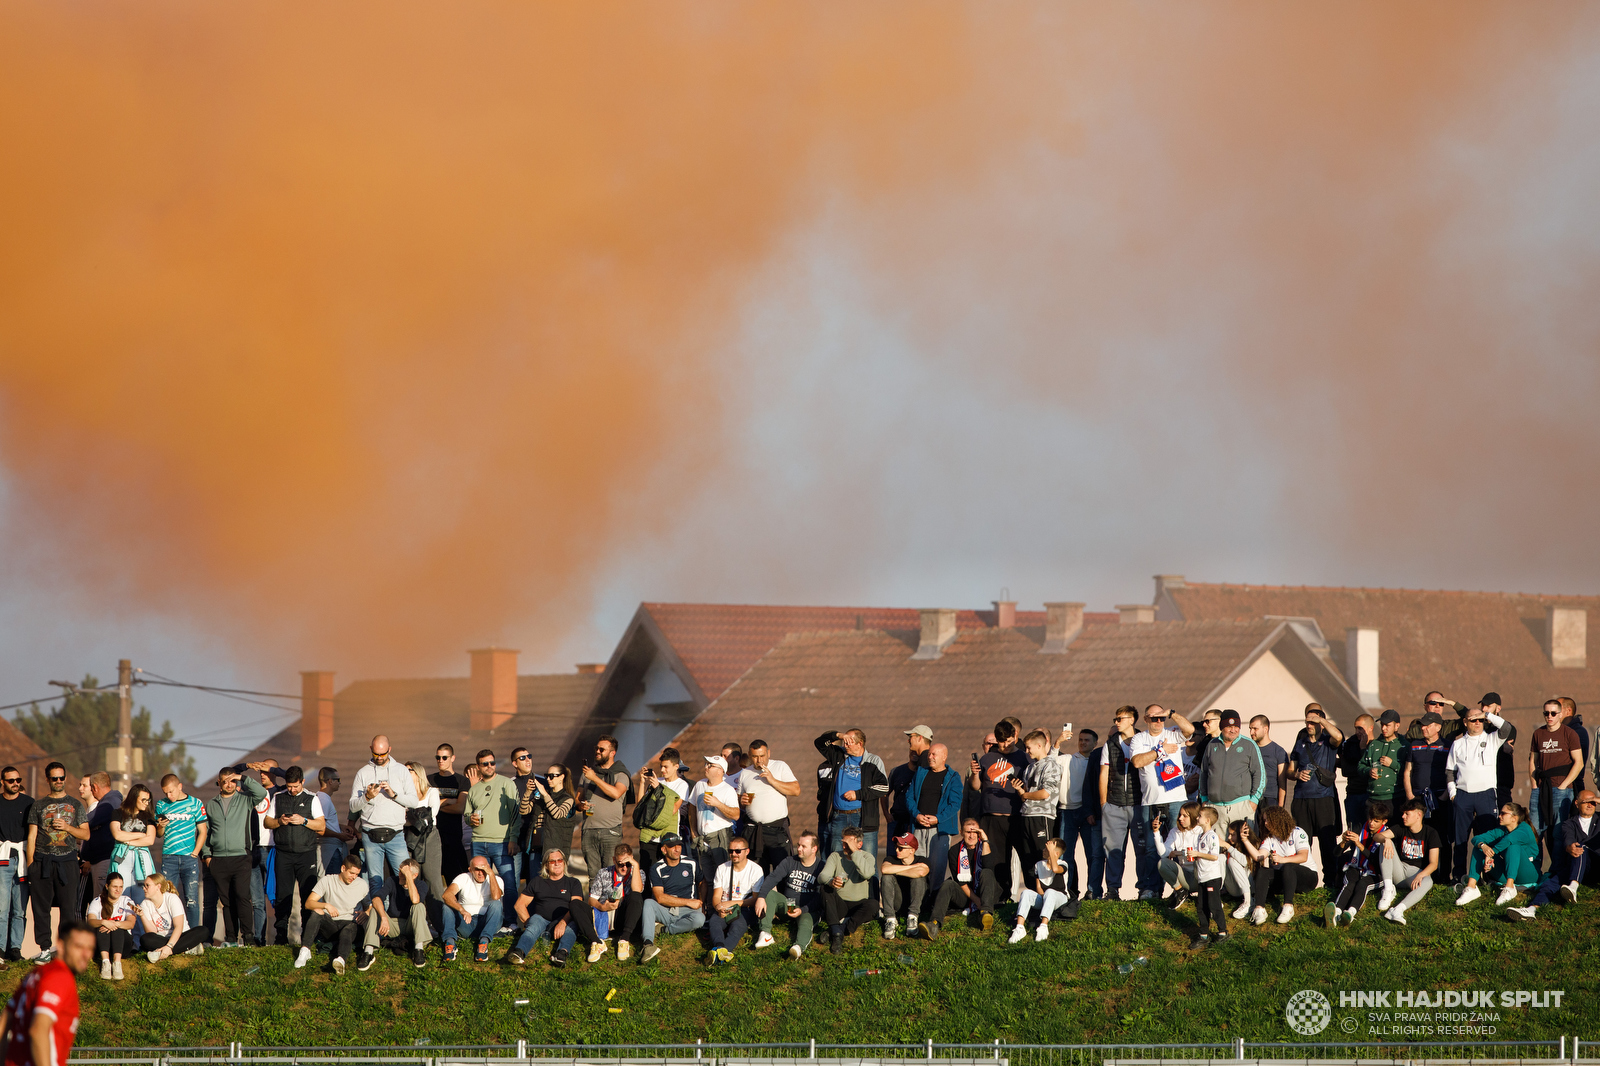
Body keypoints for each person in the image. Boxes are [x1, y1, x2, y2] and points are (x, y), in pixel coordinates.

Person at [0, 918, 93, 1066]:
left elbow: (3, 1024)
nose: (85, 954)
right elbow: (38, 1030)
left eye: (90, 948)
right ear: (61, 946)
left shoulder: (37, 974)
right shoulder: (61, 977)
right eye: (78, 947)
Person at [349, 735, 422, 912]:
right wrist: (367, 797)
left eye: (383, 754)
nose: (379, 757)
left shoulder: (401, 771)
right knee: (375, 880)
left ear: (389, 750)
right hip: (370, 834)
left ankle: (402, 920)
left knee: (405, 876)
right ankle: (379, 921)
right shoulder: (363, 772)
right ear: (370, 749)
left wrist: (394, 793)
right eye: (376, 754)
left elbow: (413, 801)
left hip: (396, 834)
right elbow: (352, 805)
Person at [202, 763, 270, 947]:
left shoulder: (245, 799)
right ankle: (231, 938)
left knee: (242, 897)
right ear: (219, 783)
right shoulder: (211, 804)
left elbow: (261, 793)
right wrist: (207, 855)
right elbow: (205, 831)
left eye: (232, 781)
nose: (229, 784)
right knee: (227, 902)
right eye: (225, 781)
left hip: (241, 856)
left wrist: (241, 777)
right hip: (218, 859)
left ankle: (248, 936)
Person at [25, 763, 87, 963]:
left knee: (68, 908)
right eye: (54, 778)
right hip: (42, 861)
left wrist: (68, 827)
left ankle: (63, 950)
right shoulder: (38, 805)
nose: (59, 781)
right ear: (48, 780)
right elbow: (32, 836)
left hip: (68, 860)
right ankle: (44, 948)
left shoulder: (76, 805)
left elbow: (85, 833)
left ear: (66, 778)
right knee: (41, 908)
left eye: (61, 778)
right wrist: (31, 865)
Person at [1131, 706, 1194, 899]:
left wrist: (1173, 713)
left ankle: (1185, 887)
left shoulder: (1172, 733)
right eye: (1154, 718)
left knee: (1181, 843)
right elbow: (1137, 762)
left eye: (1161, 718)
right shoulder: (1139, 738)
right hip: (1151, 801)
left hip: (1175, 799)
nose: (1158, 722)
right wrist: (1161, 751)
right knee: (1150, 847)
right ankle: (1151, 889)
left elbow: (1190, 730)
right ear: (1145, 719)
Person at [1508, 791, 1600, 921]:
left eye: (1593, 802)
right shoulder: (1569, 823)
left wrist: (1596, 798)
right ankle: (1531, 909)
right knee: (1550, 883)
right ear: (1577, 803)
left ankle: (1573, 887)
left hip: (1596, 866)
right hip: (1576, 866)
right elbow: (1568, 841)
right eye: (1586, 801)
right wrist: (1570, 847)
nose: (1590, 805)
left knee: (1581, 847)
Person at [264, 766, 329, 949]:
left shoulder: (312, 799)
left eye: (295, 786)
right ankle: (281, 938)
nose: (292, 790)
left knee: (308, 896)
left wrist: (304, 821)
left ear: (302, 782)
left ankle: (307, 939)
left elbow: (321, 825)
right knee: (283, 896)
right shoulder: (278, 797)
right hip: (283, 854)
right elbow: (267, 822)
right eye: (289, 786)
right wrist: (279, 822)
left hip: (306, 854)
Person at [1446, 703, 1510, 883]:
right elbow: (1450, 771)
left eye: (1480, 720)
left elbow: (1507, 728)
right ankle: (1459, 875)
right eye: (1473, 720)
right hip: (1463, 795)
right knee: (1460, 839)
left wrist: (1488, 714)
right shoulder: (1457, 744)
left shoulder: (1492, 739)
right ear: (1465, 722)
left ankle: (1487, 875)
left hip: (1486, 795)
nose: (1477, 723)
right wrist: (1453, 793)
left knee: (1487, 837)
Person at [1287, 704, 1344, 890]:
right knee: (1303, 841)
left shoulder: (1328, 741)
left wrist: (1322, 721)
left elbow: (1339, 737)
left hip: (1323, 798)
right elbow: (1290, 770)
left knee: (1328, 842)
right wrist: (1297, 775)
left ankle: (1331, 882)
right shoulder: (1300, 742)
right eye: (1307, 721)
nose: (1309, 724)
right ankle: (1306, 882)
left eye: (1313, 721)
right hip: (1301, 798)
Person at [971, 720, 1028, 901]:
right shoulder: (987, 758)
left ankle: (1033, 896)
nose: (1004, 745)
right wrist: (974, 774)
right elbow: (976, 786)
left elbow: (1030, 787)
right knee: (997, 860)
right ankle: (1000, 898)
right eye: (1001, 741)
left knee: (1026, 857)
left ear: (1014, 737)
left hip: (1016, 816)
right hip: (991, 817)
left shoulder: (1023, 758)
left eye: (1008, 741)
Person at [508, 850, 595, 968]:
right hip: (541, 919)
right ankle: (519, 952)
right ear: (546, 865)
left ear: (564, 863)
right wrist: (529, 923)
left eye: (560, 860)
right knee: (534, 923)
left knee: (572, 924)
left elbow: (577, 906)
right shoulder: (537, 881)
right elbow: (519, 905)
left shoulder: (573, 882)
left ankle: (561, 953)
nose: (557, 863)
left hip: (566, 919)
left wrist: (563, 923)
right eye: (552, 861)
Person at [816, 729, 889, 859]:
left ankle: (871, 881)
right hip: (839, 816)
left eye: (849, 743)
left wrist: (858, 794)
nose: (845, 746)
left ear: (860, 744)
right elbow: (819, 743)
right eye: (844, 742)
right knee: (836, 858)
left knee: (867, 860)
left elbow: (883, 787)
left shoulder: (873, 761)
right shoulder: (839, 755)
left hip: (862, 817)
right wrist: (839, 735)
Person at [1400, 710, 1455, 883]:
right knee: (1419, 838)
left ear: (1438, 727)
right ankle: (1422, 876)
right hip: (1417, 800)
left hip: (1439, 799)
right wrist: (1410, 795)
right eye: (1422, 725)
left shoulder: (1448, 746)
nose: (1423, 728)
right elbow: (1408, 770)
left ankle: (1444, 876)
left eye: (1427, 725)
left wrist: (1445, 795)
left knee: (1441, 838)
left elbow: (1453, 771)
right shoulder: (1415, 745)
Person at [1099, 707, 1147, 902]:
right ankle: (1112, 890)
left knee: (1142, 850)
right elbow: (1103, 774)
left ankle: (1145, 889)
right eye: (1115, 718)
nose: (1117, 722)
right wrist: (1104, 804)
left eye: (1120, 718)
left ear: (1132, 720)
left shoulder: (1143, 741)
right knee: (1113, 851)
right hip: (1114, 805)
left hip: (1138, 805)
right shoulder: (1109, 745)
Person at [1239, 805, 1316, 924]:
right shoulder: (1270, 838)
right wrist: (1245, 840)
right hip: (1285, 877)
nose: (1265, 823)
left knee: (1288, 866)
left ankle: (1288, 906)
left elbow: (1303, 856)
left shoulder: (1297, 832)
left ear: (1278, 819)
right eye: (1264, 820)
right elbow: (1258, 856)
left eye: (1268, 820)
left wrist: (1282, 859)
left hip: (1306, 877)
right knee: (1263, 870)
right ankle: (1259, 909)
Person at [1529, 699, 1583, 870]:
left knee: (1559, 833)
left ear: (1560, 714)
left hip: (1562, 790)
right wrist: (1533, 785)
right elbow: (1532, 761)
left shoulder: (1569, 734)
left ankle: (1557, 872)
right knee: (1535, 832)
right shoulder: (1538, 733)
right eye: (1546, 713)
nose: (1549, 716)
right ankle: (1534, 873)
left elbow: (1579, 763)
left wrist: (1564, 785)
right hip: (1540, 788)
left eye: (1553, 713)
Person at [753, 830, 824, 957]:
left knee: (806, 922)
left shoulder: (821, 867)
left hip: (807, 909)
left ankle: (798, 947)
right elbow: (772, 878)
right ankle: (765, 934)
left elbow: (819, 896)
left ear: (814, 849)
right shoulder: (790, 861)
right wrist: (761, 897)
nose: (799, 848)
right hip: (789, 904)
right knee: (769, 894)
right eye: (799, 845)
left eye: (803, 846)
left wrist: (802, 910)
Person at [297, 855, 373, 973]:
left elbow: (369, 906)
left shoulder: (362, 884)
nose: (354, 877)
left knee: (350, 927)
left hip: (351, 924)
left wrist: (366, 913)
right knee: (317, 911)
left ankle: (341, 959)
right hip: (331, 925)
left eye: (357, 874)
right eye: (351, 873)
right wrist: (325, 905)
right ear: (343, 868)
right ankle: (305, 950)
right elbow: (308, 903)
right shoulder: (327, 880)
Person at [925, 820, 1000, 938]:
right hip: (967, 895)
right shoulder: (954, 851)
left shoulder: (987, 846)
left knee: (986, 872)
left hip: (987, 892)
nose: (971, 835)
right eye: (968, 832)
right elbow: (960, 882)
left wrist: (985, 840)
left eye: (975, 832)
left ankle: (985, 914)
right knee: (948, 884)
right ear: (961, 833)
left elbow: (989, 868)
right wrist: (976, 900)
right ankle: (934, 924)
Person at [1456, 803, 1539, 907]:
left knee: (1513, 846)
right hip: (1507, 872)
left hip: (1528, 876)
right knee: (1480, 848)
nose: (1499, 816)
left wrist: (1491, 853)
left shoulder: (1524, 829)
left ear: (1514, 818)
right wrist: (1483, 846)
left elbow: (1509, 840)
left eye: (1503, 813)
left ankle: (1509, 888)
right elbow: (1476, 838)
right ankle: (1471, 887)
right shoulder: (1501, 830)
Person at [1053, 728, 1103, 900]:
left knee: (1092, 854)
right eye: (1081, 740)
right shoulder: (1068, 759)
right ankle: (1065, 892)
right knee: (1066, 855)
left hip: (1089, 812)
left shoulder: (1099, 762)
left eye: (1087, 740)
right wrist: (1058, 743)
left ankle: (1093, 891)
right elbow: (1049, 761)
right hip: (1068, 811)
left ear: (1095, 743)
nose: (1083, 743)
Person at [1197, 710, 1265, 836]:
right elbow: (1204, 773)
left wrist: (1253, 801)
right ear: (1222, 727)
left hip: (1241, 806)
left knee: (1242, 849)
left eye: (1236, 727)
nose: (1233, 730)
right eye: (1229, 727)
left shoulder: (1249, 745)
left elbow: (1259, 774)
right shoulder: (1212, 745)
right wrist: (1204, 799)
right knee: (1217, 850)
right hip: (1214, 807)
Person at [153, 775, 205, 937]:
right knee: (167, 898)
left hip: (189, 858)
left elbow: (203, 831)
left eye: (171, 791)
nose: (169, 796)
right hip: (169, 858)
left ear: (180, 786)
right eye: (165, 792)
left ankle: (193, 938)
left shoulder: (196, 803)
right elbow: (159, 834)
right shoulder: (161, 804)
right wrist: (160, 826)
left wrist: (195, 852)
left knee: (192, 899)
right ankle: (169, 936)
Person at [639, 833, 703, 964]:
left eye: (679, 845)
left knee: (700, 919)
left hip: (687, 911)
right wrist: (689, 902)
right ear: (664, 849)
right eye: (673, 846)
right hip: (666, 909)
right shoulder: (656, 868)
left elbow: (702, 882)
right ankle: (648, 944)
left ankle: (664, 929)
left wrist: (702, 901)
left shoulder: (691, 863)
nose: (677, 849)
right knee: (648, 903)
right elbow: (660, 898)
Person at [908, 743, 962, 894]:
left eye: (934, 754)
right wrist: (916, 815)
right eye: (929, 754)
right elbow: (909, 797)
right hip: (918, 829)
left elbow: (955, 804)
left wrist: (938, 819)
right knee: (918, 868)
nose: (930, 757)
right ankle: (919, 905)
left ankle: (933, 906)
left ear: (944, 757)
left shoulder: (953, 777)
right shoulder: (920, 773)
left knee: (936, 870)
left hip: (939, 831)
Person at [1013, 730, 1062, 897]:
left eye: (1029, 748)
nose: (1027, 751)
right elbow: (1027, 794)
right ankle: (1033, 894)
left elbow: (1045, 793)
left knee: (1043, 855)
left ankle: (1049, 894)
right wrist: (1020, 790)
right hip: (1026, 815)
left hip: (1043, 817)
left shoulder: (1051, 765)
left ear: (1039, 745)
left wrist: (1025, 795)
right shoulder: (1029, 768)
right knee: (1028, 859)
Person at [741, 741, 800, 874]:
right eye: (755, 756)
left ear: (768, 753)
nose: (759, 760)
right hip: (754, 831)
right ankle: (759, 896)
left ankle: (784, 896)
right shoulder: (745, 773)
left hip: (776, 831)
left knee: (783, 873)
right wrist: (742, 800)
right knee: (757, 875)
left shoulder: (780, 766)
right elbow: (740, 801)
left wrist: (772, 780)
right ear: (750, 756)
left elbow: (796, 790)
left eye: (762, 756)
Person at [578, 735, 631, 886]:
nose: (598, 752)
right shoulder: (587, 774)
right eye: (596, 748)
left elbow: (616, 793)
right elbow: (578, 799)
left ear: (612, 753)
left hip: (611, 831)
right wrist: (581, 805)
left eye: (602, 749)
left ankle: (612, 908)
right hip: (589, 831)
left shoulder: (621, 774)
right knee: (593, 877)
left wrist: (594, 778)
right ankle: (596, 909)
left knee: (611, 876)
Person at [1327, 801, 1389, 927]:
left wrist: (1359, 845)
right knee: (1350, 881)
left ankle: (1350, 913)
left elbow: (1377, 863)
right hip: (1356, 867)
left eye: (1376, 821)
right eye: (1371, 819)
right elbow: (1337, 853)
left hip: (1377, 872)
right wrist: (1344, 842)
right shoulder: (1360, 827)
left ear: (1384, 822)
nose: (1371, 823)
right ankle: (1336, 912)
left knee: (1362, 885)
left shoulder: (1387, 834)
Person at [362, 857, 432, 968]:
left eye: (403, 873)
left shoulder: (421, 885)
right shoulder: (392, 880)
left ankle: (419, 950)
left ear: (414, 875)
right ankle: (368, 952)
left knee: (419, 906)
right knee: (376, 908)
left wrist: (408, 877)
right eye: (399, 871)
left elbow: (415, 900)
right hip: (392, 925)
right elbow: (376, 899)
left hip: (412, 925)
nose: (399, 874)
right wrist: (384, 917)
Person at [1379, 800, 1440, 925]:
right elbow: (1376, 837)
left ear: (1418, 815)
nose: (1403, 816)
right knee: (1384, 843)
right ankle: (1388, 888)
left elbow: (1434, 863)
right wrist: (1386, 839)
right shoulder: (1400, 828)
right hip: (1399, 870)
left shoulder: (1431, 833)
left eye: (1407, 814)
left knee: (1428, 881)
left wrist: (1421, 875)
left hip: (1415, 874)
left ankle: (1397, 909)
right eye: (1403, 813)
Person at [706, 836, 764, 964]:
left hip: (745, 909)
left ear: (747, 851)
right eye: (731, 851)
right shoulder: (722, 868)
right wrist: (718, 907)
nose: (734, 854)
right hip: (725, 908)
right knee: (715, 922)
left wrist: (732, 903)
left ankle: (719, 955)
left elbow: (756, 899)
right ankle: (720, 948)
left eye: (738, 851)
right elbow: (716, 896)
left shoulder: (756, 870)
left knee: (738, 926)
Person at [819, 825, 876, 954]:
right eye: (843, 842)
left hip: (859, 904)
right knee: (824, 888)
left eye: (849, 843)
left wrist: (855, 853)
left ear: (859, 844)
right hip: (841, 903)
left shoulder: (868, 857)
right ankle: (835, 928)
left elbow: (867, 874)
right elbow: (822, 876)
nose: (844, 846)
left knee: (873, 905)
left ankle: (838, 931)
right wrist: (831, 881)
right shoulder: (835, 856)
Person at [635, 751, 688, 882]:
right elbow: (641, 806)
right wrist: (642, 783)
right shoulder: (656, 782)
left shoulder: (682, 785)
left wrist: (659, 789)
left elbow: (673, 810)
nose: (662, 770)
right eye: (661, 766)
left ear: (676, 766)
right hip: (650, 838)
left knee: (666, 876)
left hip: (667, 839)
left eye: (666, 767)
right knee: (647, 876)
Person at [247, 760, 284, 944]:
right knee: (257, 902)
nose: (262, 774)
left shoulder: (282, 792)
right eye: (260, 771)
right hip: (254, 850)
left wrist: (273, 769)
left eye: (266, 771)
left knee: (275, 897)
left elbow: (293, 776)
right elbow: (233, 775)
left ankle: (280, 937)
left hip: (273, 851)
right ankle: (259, 940)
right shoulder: (252, 794)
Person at [586, 843, 644, 962]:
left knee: (635, 896)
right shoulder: (603, 873)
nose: (624, 868)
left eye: (628, 864)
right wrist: (602, 906)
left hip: (625, 916)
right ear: (614, 860)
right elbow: (591, 900)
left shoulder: (638, 872)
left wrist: (635, 865)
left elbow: (637, 891)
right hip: (606, 915)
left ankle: (624, 939)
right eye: (620, 864)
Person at [1009, 837, 1073, 943]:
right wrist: (1044, 899)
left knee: (1050, 892)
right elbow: (1038, 887)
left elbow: (1055, 869)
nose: (1043, 850)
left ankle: (1043, 926)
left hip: (1060, 898)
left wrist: (1051, 850)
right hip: (1045, 898)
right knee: (1026, 893)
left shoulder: (1063, 864)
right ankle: (1019, 928)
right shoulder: (1038, 865)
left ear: (1056, 853)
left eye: (1046, 849)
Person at [137, 874, 209, 961]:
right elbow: (152, 932)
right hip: (162, 939)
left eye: (147, 885)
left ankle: (166, 952)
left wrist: (169, 947)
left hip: (180, 936)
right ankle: (187, 949)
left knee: (203, 931)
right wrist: (142, 916)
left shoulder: (172, 898)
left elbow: (178, 927)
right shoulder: (145, 904)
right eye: (144, 886)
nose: (144, 888)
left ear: (158, 886)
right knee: (145, 939)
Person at [106, 785, 156, 909]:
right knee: (120, 894)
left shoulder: (148, 817)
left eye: (148, 800)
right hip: (122, 857)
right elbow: (117, 834)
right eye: (143, 799)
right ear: (134, 798)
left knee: (141, 898)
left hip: (142, 859)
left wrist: (127, 841)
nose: (146, 803)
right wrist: (140, 835)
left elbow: (150, 840)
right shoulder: (117, 813)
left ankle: (140, 927)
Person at [690, 756, 740, 875]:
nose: (706, 767)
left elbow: (736, 815)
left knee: (722, 874)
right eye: (706, 764)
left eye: (710, 765)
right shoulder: (700, 784)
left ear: (720, 771)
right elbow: (692, 807)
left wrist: (717, 804)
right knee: (706, 876)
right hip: (702, 837)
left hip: (719, 836)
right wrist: (693, 831)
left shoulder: (727, 790)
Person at [0, 768, 30, 966]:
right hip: (2, 858)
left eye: (18, 779)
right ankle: (1, 949)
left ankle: (15, 948)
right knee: (2, 908)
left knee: (19, 909)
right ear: (3, 781)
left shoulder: (29, 803)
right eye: (11, 780)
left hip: (23, 859)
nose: (15, 783)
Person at [428, 745, 470, 882]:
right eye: (438, 757)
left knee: (458, 879)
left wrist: (437, 805)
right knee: (432, 883)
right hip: (432, 837)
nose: (440, 760)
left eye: (444, 757)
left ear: (452, 758)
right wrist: (448, 801)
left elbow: (460, 808)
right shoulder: (429, 780)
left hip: (453, 838)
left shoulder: (462, 781)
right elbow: (426, 808)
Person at [530, 765, 581, 874]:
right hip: (537, 846)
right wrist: (527, 792)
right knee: (534, 883)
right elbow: (524, 811)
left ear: (562, 777)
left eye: (552, 776)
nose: (548, 779)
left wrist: (545, 794)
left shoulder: (568, 799)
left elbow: (557, 814)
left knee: (553, 882)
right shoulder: (543, 796)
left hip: (555, 850)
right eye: (547, 776)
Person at [85, 873, 136, 980]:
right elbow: (90, 921)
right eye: (115, 887)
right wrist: (104, 922)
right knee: (101, 926)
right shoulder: (97, 901)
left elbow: (131, 923)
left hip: (123, 946)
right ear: (107, 886)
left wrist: (114, 923)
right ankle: (106, 963)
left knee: (118, 928)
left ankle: (117, 964)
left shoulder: (126, 901)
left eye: (121, 887)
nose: (118, 890)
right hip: (102, 945)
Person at [878, 833, 929, 940]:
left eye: (901, 848)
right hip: (897, 902)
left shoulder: (922, 860)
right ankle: (890, 919)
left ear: (912, 850)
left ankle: (912, 918)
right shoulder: (890, 858)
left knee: (918, 879)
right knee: (886, 877)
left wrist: (895, 870)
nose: (897, 850)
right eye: (896, 847)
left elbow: (920, 872)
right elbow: (884, 870)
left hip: (917, 903)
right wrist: (911, 869)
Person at [1153, 801, 1203, 908]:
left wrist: (1178, 853)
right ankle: (1180, 891)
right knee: (1162, 863)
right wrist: (1156, 833)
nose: (1180, 818)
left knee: (1200, 861)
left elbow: (1199, 853)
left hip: (1200, 875)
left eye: (1185, 816)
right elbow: (1163, 853)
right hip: (1184, 875)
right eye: (1180, 815)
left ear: (1194, 817)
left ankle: (1208, 895)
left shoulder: (1201, 831)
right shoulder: (1175, 831)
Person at [885, 726, 931, 842]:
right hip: (903, 819)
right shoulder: (899, 770)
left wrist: (914, 818)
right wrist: (887, 814)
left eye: (911, 737)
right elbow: (884, 792)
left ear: (920, 738)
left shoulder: (925, 760)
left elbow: (922, 793)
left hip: (917, 821)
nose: (908, 740)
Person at [1190, 807, 1228, 946]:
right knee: (1201, 906)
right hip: (1202, 877)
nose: (1197, 818)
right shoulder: (1200, 835)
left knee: (1214, 905)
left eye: (1199, 816)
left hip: (1212, 877)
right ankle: (1203, 934)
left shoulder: (1212, 836)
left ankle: (1222, 932)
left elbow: (1214, 856)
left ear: (1207, 820)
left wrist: (1198, 854)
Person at [1359, 710, 1406, 808]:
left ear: (1397, 726)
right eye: (1382, 725)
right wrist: (1369, 771)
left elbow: (1411, 772)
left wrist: (1393, 764)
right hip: (1373, 799)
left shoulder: (1404, 746)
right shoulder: (1374, 744)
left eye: (1387, 725)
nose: (1383, 728)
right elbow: (1360, 766)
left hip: (1395, 798)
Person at [1339, 714, 1374, 831]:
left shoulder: (1376, 745)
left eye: (1360, 728)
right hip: (1353, 793)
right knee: (1353, 831)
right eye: (1356, 728)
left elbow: (1373, 769)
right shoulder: (1350, 744)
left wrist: (1363, 749)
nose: (1357, 731)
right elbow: (1346, 770)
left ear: (1371, 728)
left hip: (1370, 794)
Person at [315, 768, 352, 876]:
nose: (340, 783)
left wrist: (340, 827)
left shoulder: (323, 798)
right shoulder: (323, 800)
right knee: (331, 883)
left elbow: (324, 822)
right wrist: (339, 835)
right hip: (329, 850)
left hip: (331, 848)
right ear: (330, 781)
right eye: (338, 779)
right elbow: (320, 827)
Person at [1247, 717, 1289, 811]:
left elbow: (1282, 781)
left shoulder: (1278, 751)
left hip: (1270, 799)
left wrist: (1280, 807)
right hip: (1250, 798)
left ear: (1265, 729)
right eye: (1250, 728)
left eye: (1255, 729)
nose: (1251, 732)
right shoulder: (1249, 749)